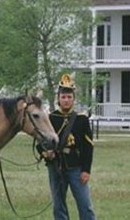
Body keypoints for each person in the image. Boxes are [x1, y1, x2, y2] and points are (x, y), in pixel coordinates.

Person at [39, 74, 96, 220]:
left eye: (69, 97)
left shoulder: (81, 119)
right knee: (59, 207)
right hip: (56, 168)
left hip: (76, 167)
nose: (66, 100)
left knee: (85, 206)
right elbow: (41, 143)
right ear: (58, 98)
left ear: (73, 99)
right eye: (63, 97)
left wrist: (86, 170)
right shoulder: (51, 118)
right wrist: (47, 154)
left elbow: (88, 147)